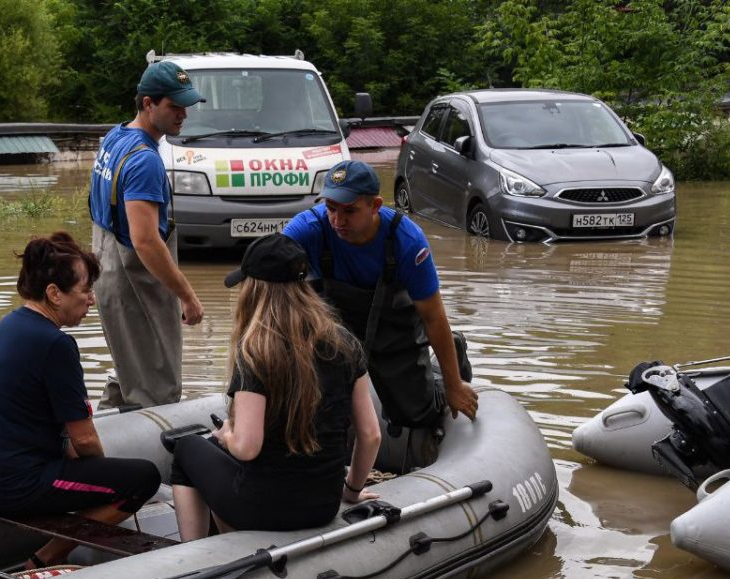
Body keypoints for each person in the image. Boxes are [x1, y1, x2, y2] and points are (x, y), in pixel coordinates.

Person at [0, 232, 162, 569]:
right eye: (85, 291)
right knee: (142, 478)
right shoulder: (56, 345)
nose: (91, 299)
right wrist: (103, 477)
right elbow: (86, 438)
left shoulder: (11, 324)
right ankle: (42, 559)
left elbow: (44, 419)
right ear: (54, 294)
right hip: (7, 484)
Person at [169, 234, 382, 542]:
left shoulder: (255, 352)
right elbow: (371, 435)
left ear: (254, 289)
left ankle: (193, 555)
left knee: (187, 449)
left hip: (262, 509)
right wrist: (351, 491)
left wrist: (227, 434)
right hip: (323, 506)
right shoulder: (344, 343)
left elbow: (246, 447)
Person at [282, 159, 478, 432]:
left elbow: (432, 316)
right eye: (331, 209)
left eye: (349, 211)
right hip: (333, 325)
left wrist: (454, 385)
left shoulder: (407, 241)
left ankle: (449, 358)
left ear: (375, 206)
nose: (338, 220)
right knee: (323, 404)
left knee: (416, 416)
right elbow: (264, 272)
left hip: (392, 328)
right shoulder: (307, 228)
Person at [89, 60, 206, 409]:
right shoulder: (145, 161)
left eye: (186, 105)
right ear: (147, 103)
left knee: (130, 367)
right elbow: (145, 241)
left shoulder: (116, 135)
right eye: (173, 106)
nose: (182, 114)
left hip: (106, 269)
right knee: (157, 381)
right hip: (134, 281)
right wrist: (187, 295)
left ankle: (101, 438)